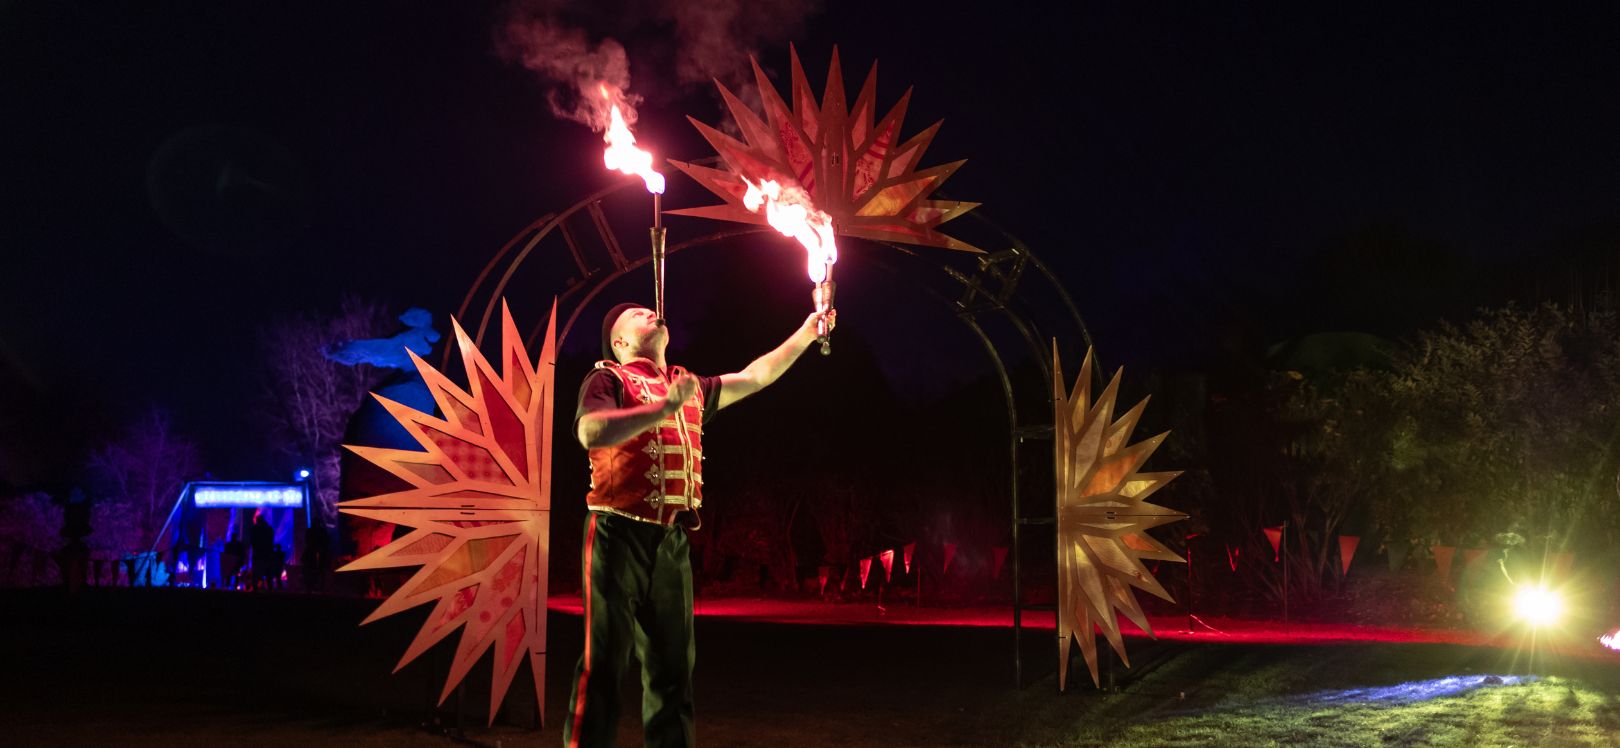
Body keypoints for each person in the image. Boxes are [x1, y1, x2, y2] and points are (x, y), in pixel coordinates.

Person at [563, 302, 833, 748]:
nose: (650, 314)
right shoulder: (608, 378)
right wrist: (663, 408)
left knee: (673, 671)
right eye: (637, 315)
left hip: (671, 542)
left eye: (651, 310)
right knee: (605, 663)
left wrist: (806, 332)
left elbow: (757, 376)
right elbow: (591, 433)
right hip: (616, 534)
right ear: (620, 341)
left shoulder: (687, 386)